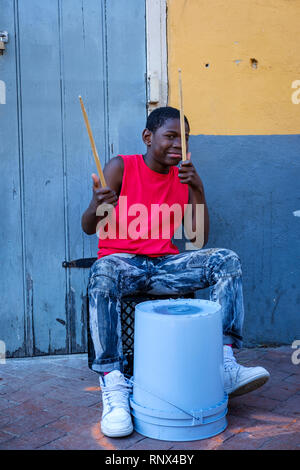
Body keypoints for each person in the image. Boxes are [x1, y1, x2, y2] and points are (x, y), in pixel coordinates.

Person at [81, 106, 270, 438]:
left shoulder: (183, 176)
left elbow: (198, 240)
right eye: (170, 137)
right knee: (101, 274)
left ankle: (224, 363)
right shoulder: (121, 166)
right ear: (147, 137)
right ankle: (113, 386)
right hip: (122, 264)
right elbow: (87, 227)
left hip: (165, 266)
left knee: (225, 260)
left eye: (183, 139)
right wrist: (97, 206)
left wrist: (198, 189)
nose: (178, 146)